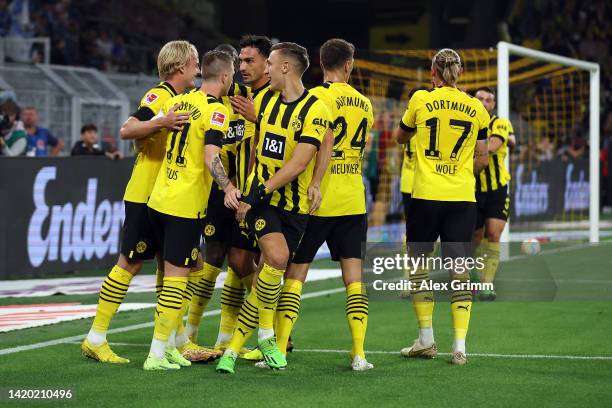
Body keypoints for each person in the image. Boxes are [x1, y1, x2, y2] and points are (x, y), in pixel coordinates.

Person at [81, 40, 205, 364]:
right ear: (180, 67)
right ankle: (96, 337)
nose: (198, 70)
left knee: (176, 268)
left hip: (168, 196)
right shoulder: (159, 95)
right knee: (131, 263)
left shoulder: (186, 100)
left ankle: (172, 344)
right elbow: (128, 129)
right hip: (145, 193)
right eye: (194, 63)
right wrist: (161, 122)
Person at [216, 42, 333, 374]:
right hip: (263, 199)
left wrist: (315, 182)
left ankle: (263, 335)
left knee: (269, 267)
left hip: (292, 203)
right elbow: (257, 145)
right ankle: (240, 345)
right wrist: (250, 191)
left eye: (270, 64)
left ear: (285, 68)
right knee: (276, 258)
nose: (265, 70)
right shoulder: (263, 100)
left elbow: (302, 160)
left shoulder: (315, 108)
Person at [271, 38, 374, 371]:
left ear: (320, 62)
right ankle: (359, 354)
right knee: (354, 280)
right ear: (348, 65)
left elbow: (307, 146)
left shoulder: (314, 98)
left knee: (295, 275)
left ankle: (281, 352)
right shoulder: (365, 103)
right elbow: (364, 150)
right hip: (353, 201)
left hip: (315, 201)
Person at [144, 49, 239, 371]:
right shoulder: (216, 111)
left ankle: (173, 343)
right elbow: (211, 156)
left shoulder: (176, 102)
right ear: (225, 77)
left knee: (189, 270)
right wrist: (227, 186)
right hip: (184, 204)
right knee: (176, 279)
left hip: (158, 198)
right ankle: (157, 354)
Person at [393, 48, 489, 365]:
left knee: (420, 266)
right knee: (460, 270)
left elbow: (399, 137)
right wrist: (460, 173)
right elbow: (482, 157)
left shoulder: (421, 99)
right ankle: (459, 346)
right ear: (459, 73)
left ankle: (426, 340)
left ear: (433, 72)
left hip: (425, 195)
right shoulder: (477, 108)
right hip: (462, 197)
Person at [471, 86, 516, 301]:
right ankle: (470, 275)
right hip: (473, 189)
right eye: (480, 98)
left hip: (497, 188)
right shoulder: (467, 122)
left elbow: (491, 146)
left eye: (489, 100)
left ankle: (486, 284)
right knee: (475, 238)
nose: (484, 102)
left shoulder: (500, 123)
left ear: (493, 105)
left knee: (494, 234)